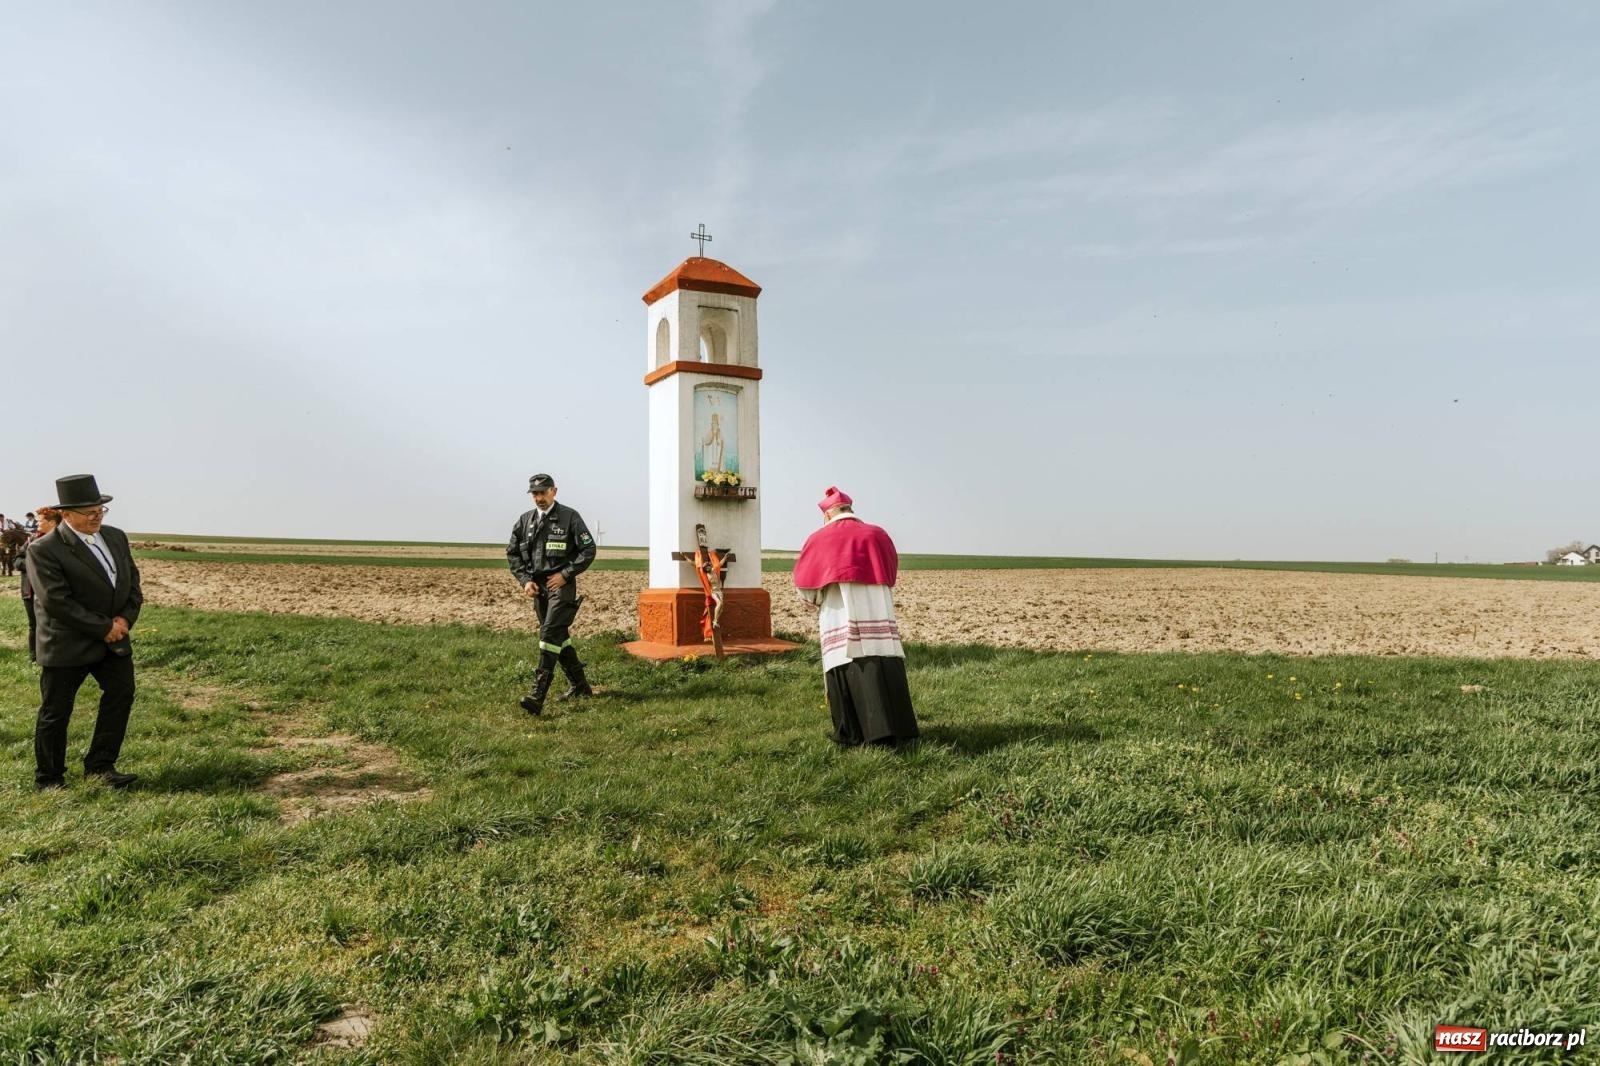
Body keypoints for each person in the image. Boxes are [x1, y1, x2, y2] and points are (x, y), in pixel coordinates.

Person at [26, 475, 143, 789]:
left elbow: (132, 586)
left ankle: (101, 767)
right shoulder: (45, 549)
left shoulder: (117, 537)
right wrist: (104, 627)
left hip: (114, 641)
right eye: (89, 512)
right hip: (67, 644)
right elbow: (56, 600)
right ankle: (49, 779)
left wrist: (124, 622)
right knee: (56, 711)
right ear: (66, 515)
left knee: (120, 696)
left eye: (100, 510)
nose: (97, 517)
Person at [793, 487, 920, 747]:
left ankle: (853, 733)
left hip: (840, 614)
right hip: (877, 609)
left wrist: (815, 599)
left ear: (827, 515)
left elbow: (805, 585)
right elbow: (891, 571)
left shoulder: (819, 539)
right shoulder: (877, 534)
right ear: (850, 509)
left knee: (846, 658)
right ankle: (899, 728)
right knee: (881, 659)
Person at [506, 473, 597, 715]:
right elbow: (512, 554)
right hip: (537, 590)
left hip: (561, 587)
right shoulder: (525, 521)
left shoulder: (570, 517)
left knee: (548, 633)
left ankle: (537, 695)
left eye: (543, 493)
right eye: (535, 494)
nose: (539, 498)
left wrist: (566, 574)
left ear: (554, 491)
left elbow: (588, 549)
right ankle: (580, 685)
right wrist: (525, 581)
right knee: (559, 637)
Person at [19, 506, 61, 662]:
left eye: (40, 521)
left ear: (51, 522)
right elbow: (17, 560)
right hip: (30, 590)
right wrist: (32, 565)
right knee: (34, 625)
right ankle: (34, 657)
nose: (36, 524)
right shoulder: (31, 540)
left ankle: (54, 656)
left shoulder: (63, 542)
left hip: (52, 592)